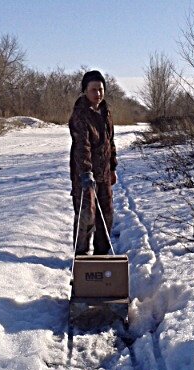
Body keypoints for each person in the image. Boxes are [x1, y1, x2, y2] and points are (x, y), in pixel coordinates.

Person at [69, 70, 117, 255]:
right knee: (86, 215)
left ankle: (101, 254)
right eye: (93, 90)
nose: (97, 93)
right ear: (85, 91)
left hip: (104, 173)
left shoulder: (106, 112)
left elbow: (110, 142)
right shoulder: (80, 115)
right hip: (84, 176)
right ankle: (80, 255)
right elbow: (82, 146)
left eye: (100, 89)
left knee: (106, 214)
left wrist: (112, 167)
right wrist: (86, 172)